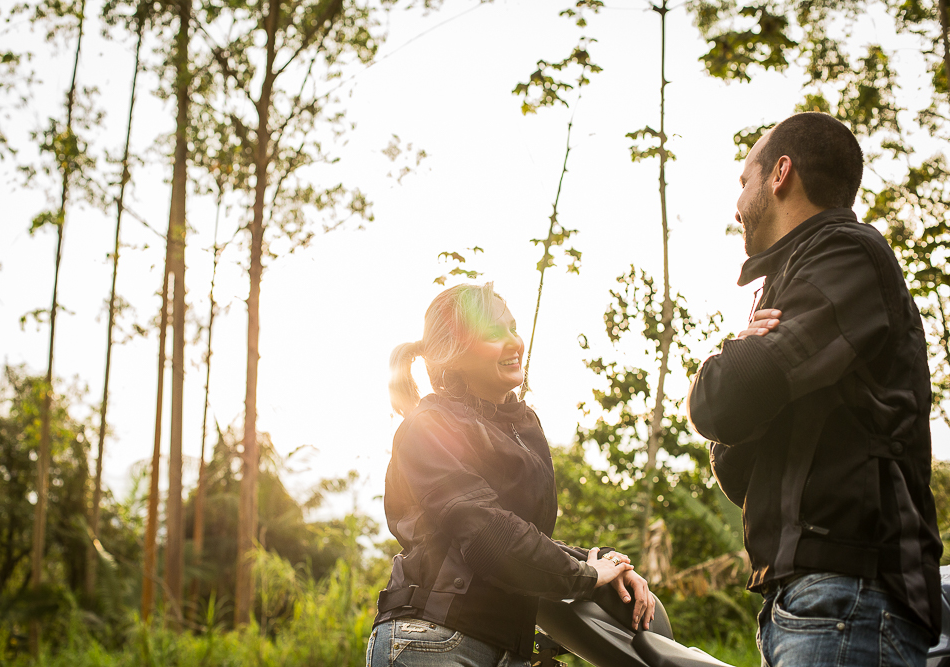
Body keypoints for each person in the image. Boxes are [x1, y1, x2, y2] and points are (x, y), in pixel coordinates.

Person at [687, 112, 942, 667]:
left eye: (744, 181)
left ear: (780, 174)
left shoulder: (847, 253)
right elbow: (735, 465)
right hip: (803, 601)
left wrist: (733, 358)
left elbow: (723, 401)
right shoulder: (792, 280)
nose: (737, 204)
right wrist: (742, 366)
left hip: (850, 595)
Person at [367, 283, 656, 667]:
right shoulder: (428, 425)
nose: (514, 342)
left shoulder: (523, 426)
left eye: (513, 328)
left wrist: (607, 563)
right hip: (433, 639)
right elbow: (489, 535)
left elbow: (525, 536)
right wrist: (586, 575)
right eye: (493, 333)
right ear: (454, 352)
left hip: (505, 647)